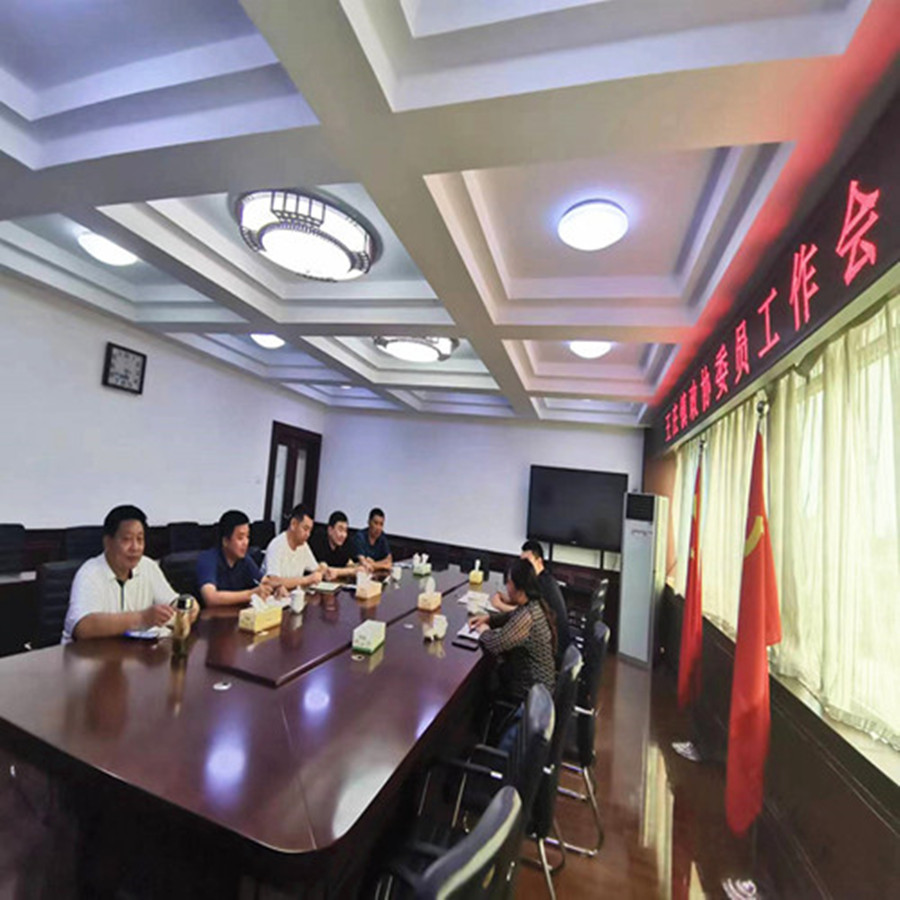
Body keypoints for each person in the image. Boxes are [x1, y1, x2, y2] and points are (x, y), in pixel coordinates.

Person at [63, 504, 197, 642]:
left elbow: (172, 602)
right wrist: (142, 618)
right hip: (88, 654)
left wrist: (187, 606)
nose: (135, 547)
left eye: (140, 539)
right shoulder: (89, 573)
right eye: (127, 539)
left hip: (133, 652)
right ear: (108, 542)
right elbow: (82, 627)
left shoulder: (147, 566)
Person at [471, 558, 557, 705]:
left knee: (485, 682)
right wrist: (489, 619)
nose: (506, 586)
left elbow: (495, 644)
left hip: (532, 694)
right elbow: (511, 615)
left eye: (509, 582)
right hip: (539, 687)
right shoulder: (533, 604)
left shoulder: (527, 616)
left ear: (520, 588)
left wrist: (484, 630)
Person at [196, 510, 274, 607]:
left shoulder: (245, 559)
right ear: (225, 541)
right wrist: (250, 594)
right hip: (213, 615)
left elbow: (264, 581)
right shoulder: (208, 559)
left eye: (247, 537)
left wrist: (276, 588)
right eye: (240, 538)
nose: (246, 542)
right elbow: (210, 598)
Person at [262, 503, 325, 591]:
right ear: (293, 524)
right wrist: (306, 580)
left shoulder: (303, 546)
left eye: (310, 531)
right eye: (305, 529)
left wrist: (322, 569)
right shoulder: (276, 545)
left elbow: (317, 569)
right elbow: (273, 581)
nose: (308, 534)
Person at [308, 510, 358, 578]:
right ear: (330, 530)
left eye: (345, 531)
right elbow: (324, 570)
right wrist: (347, 571)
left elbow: (351, 566)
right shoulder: (318, 540)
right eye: (340, 530)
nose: (343, 535)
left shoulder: (344, 545)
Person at [351, 507, 392, 573]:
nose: (378, 528)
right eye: (376, 523)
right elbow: (363, 564)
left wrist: (373, 563)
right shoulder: (360, 537)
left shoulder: (382, 537)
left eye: (381, 524)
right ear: (369, 522)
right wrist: (383, 565)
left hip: (376, 574)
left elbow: (389, 561)